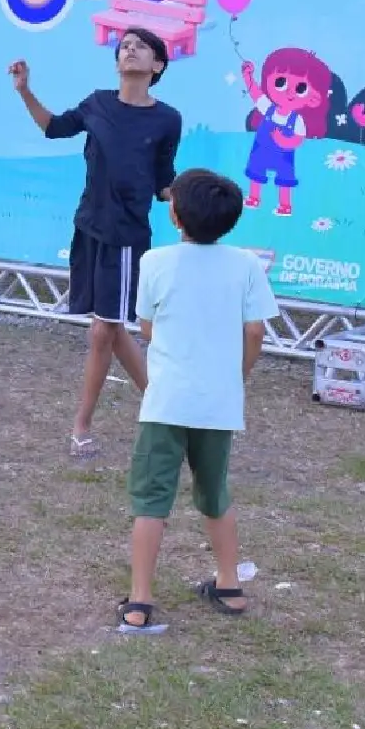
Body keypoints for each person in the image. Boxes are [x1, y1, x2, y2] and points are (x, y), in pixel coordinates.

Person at [118, 168, 278, 634]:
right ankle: (229, 585)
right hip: (219, 402)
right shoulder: (247, 264)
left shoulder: (156, 261)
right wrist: (238, 375)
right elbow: (255, 330)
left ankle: (140, 600)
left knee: (151, 499)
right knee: (214, 490)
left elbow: (146, 325)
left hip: (166, 400)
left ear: (175, 215)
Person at [9, 27, 180, 460]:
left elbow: (163, 181)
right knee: (110, 326)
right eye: (124, 44)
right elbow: (53, 128)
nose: (130, 48)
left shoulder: (166, 119)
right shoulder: (97, 103)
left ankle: (85, 424)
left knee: (104, 330)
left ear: (157, 65)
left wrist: (192, 203)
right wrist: (25, 91)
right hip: (89, 227)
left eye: (140, 45)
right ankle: (165, 407)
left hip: (127, 234)